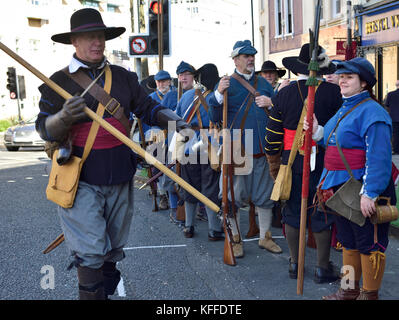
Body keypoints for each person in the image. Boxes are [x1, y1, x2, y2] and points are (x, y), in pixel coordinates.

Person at [35, 8, 190, 300]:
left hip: (120, 172)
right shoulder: (57, 82)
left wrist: (177, 122)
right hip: (79, 176)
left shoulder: (124, 78)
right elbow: (45, 129)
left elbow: (149, 109)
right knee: (90, 250)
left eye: (101, 36)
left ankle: (103, 290)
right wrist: (63, 118)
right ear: (75, 42)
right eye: (89, 37)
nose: (97, 42)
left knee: (112, 249)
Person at [305, 57, 395, 300]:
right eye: (341, 76)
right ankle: (348, 290)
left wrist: (370, 193)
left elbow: (378, 158)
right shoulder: (345, 107)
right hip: (340, 190)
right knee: (347, 241)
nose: (342, 80)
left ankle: (369, 294)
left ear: (364, 83)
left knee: (369, 244)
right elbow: (334, 141)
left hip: (363, 189)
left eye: (349, 77)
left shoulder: (373, 112)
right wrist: (317, 132)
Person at [265, 43, 342, 283]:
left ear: (299, 67)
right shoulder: (334, 93)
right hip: (325, 162)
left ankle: (294, 263)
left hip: (291, 162)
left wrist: (276, 165)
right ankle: (321, 267)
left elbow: (272, 138)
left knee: (292, 211)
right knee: (322, 211)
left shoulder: (283, 94)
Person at [207, 40, 282, 258]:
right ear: (235, 59)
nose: (251, 59)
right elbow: (213, 117)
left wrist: (271, 103)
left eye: (252, 55)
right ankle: (236, 238)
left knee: (265, 196)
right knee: (233, 197)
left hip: (262, 147)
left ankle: (266, 237)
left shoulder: (264, 84)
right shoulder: (227, 83)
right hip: (237, 149)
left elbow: (278, 110)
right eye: (246, 56)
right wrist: (219, 94)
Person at [175, 63, 224, 240]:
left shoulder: (187, 96)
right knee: (209, 187)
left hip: (188, 144)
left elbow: (177, 121)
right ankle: (213, 230)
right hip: (210, 145)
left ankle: (189, 226)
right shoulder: (218, 97)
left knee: (190, 186)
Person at [162, 61, 196, 226]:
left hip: (194, 140)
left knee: (195, 176)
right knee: (173, 174)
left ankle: (198, 209)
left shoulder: (200, 93)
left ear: (193, 77)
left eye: (187, 75)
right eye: (181, 75)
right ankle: (175, 208)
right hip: (175, 138)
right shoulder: (171, 95)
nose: (183, 78)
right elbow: (162, 116)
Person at [384, 80, 399, 155]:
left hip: (394, 117)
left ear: (396, 85)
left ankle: (396, 150)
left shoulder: (390, 94)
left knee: (395, 134)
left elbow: (386, 105)